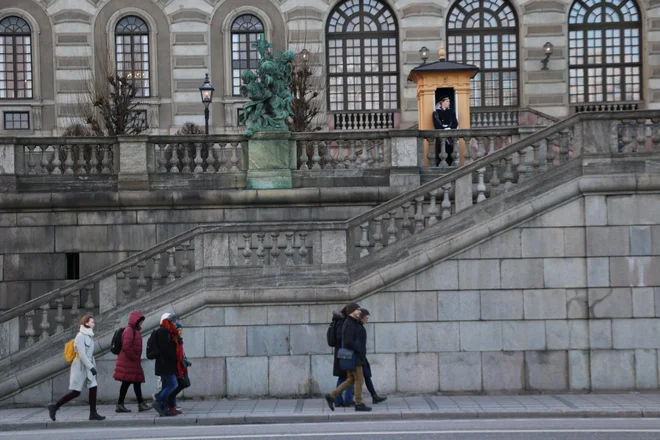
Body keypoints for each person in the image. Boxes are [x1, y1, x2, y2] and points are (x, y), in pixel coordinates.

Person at [47, 315, 106, 421]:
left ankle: (93, 413)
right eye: (92, 322)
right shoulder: (80, 336)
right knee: (76, 392)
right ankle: (55, 407)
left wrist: (91, 366)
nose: (94, 324)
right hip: (80, 367)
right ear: (86, 323)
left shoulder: (89, 336)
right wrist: (91, 367)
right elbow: (82, 355)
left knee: (93, 387)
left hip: (88, 365)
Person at [324, 305, 372, 412]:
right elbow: (348, 342)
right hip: (355, 357)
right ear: (351, 311)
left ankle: (332, 396)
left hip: (355, 356)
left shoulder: (352, 322)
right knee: (359, 379)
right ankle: (359, 403)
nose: (359, 311)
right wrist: (358, 348)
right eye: (357, 310)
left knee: (351, 380)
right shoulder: (349, 323)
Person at [113, 311, 150, 413]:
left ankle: (140, 404)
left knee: (136, 382)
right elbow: (126, 346)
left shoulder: (135, 331)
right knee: (126, 383)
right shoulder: (129, 330)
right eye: (140, 321)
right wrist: (134, 357)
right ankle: (120, 404)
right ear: (135, 321)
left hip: (132, 362)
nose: (141, 323)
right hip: (128, 362)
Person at [151, 312, 180, 417]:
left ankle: (164, 408)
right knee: (173, 384)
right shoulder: (163, 332)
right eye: (172, 321)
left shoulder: (167, 331)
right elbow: (165, 349)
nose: (174, 323)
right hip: (165, 365)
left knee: (166, 386)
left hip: (165, 364)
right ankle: (158, 399)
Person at [331, 303, 359, 408]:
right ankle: (345, 400)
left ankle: (340, 400)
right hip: (344, 353)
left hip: (342, 352)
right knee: (349, 376)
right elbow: (340, 337)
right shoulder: (342, 321)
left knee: (345, 376)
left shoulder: (340, 320)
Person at [358, 309, 387, 405]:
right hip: (358, 357)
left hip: (361, 356)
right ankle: (336, 396)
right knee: (352, 380)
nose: (367, 319)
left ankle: (374, 396)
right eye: (366, 317)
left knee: (367, 375)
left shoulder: (360, 327)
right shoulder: (359, 328)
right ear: (361, 318)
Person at [167, 322, 191, 414]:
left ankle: (171, 403)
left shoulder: (179, 340)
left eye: (181, 330)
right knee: (177, 385)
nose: (180, 332)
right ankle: (167, 401)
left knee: (180, 385)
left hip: (180, 367)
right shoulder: (174, 340)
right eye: (179, 330)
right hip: (176, 368)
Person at [432, 97, 459, 166]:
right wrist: (443, 128)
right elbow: (436, 124)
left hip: (449, 136)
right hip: (440, 136)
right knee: (440, 153)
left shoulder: (451, 112)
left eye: (449, 101)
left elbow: (455, 123)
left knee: (450, 153)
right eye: (447, 101)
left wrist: (449, 128)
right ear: (442, 102)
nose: (449, 103)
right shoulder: (436, 113)